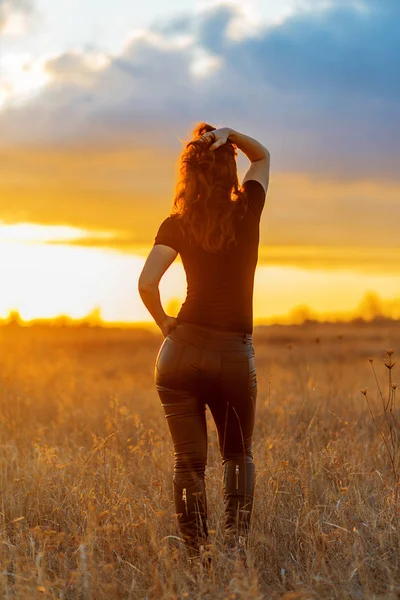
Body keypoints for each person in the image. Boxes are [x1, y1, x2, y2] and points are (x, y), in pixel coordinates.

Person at [138, 123, 270, 569]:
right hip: (233, 354)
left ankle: (198, 560)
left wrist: (164, 323)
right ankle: (234, 555)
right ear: (229, 169)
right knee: (237, 456)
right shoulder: (248, 209)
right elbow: (264, 156)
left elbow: (147, 282)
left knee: (188, 464)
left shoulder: (176, 222)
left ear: (188, 175)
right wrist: (232, 135)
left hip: (180, 352)